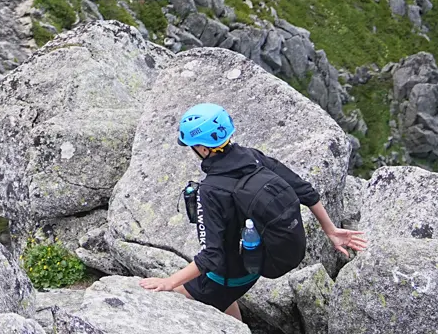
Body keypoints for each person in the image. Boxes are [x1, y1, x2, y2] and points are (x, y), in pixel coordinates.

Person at [139, 102, 367, 321]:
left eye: (192, 146)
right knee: (226, 301)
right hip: (254, 263)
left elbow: (212, 256)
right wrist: (331, 230)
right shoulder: (253, 157)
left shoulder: (211, 190)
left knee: (159, 303)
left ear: (202, 148)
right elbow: (304, 191)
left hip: (225, 277)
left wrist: (169, 282)